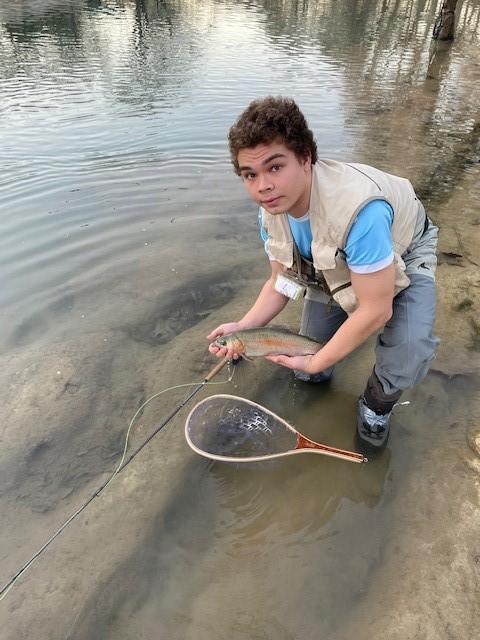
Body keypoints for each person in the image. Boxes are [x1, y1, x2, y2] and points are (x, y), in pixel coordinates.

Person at [207, 96, 439, 450]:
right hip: (335, 260)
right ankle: (321, 375)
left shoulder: (363, 213)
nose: (262, 186)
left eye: (274, 167)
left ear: (305, 158)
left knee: (406, 347)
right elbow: (281, 282)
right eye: (249, 175)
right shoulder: (271, 211)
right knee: (306, 363)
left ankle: (376, 407)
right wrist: (243, 328)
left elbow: (377, 310)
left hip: (403, 248)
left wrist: (321, 360)